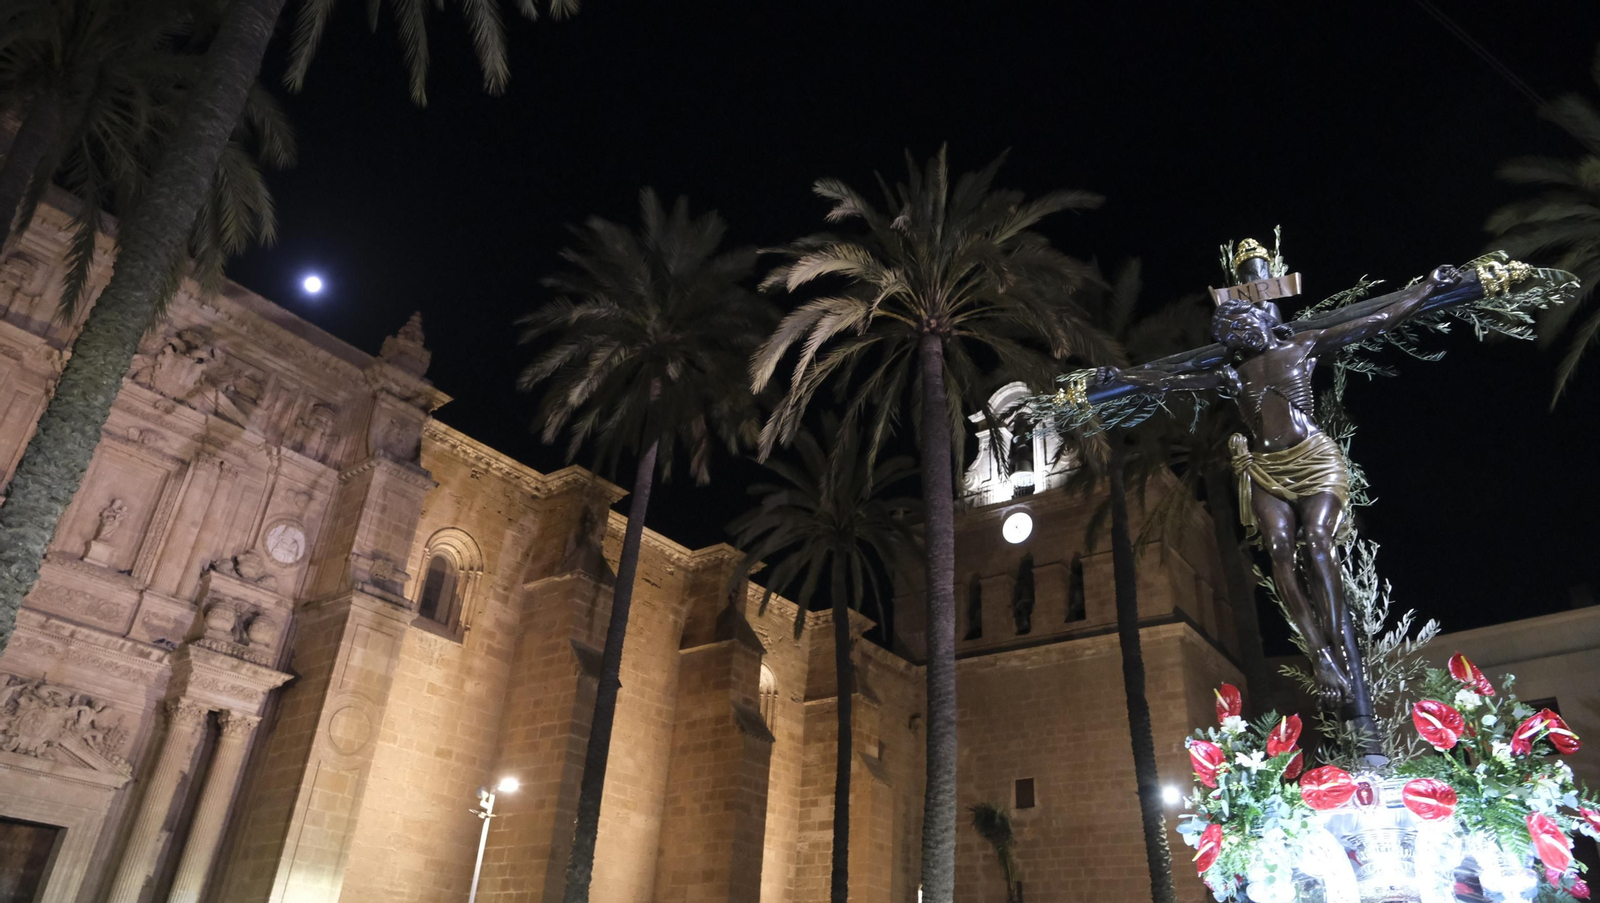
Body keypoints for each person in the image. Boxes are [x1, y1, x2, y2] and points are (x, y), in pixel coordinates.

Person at [1097, 244, 1461, 726]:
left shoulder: (1301, 344)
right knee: (1278, 549)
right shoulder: (1233, 372)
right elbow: (1167, 380)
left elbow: (1377, 319)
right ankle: (1321, 654)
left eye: (1239, 326)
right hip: (1266, 469)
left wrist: (1430, 287)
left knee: (1318, 543)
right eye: (1228, 332)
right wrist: (1119, 377)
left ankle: (1335, 647)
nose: (1234, 335)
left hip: (1313, 460)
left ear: (1262, 322)